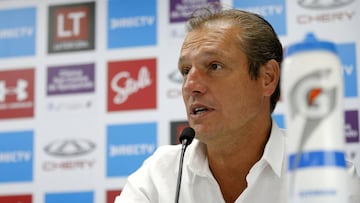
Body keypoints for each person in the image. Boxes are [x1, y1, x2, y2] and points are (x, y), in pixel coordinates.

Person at [114, 7, 359, 203]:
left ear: (268, 78)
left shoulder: (328, 179)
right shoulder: (159, 175)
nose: (191, 86)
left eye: (214, 66)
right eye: (186, 71)